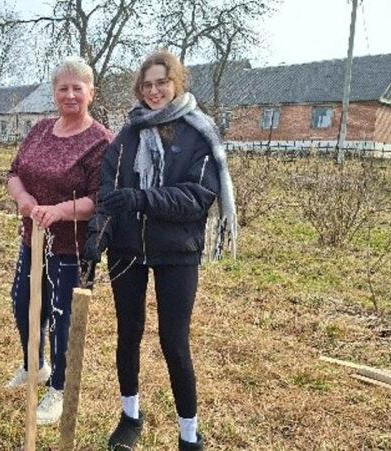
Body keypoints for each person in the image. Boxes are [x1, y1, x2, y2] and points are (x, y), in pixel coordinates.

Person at [84, 50, 237, 451]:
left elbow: (197, 198)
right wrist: (95, 239)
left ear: (177, 83)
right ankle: (130, 416)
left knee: (174, 342)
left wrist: (141, 199)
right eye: (147, 84)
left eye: (162, 83)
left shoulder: (198, 133)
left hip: (178, 252)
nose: (154, 91)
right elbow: (107, 192)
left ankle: (189, 434)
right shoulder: (127, 134)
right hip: (127, 250)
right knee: (128, 334)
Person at [6, 56, 112, 425]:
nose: (70, 95)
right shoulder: (39, 130)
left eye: (77, 88)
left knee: (62, 319)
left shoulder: (100, 141)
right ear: (54, 92)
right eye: (62, 88)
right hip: (33, 239)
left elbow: (101, 199)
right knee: (23, 305)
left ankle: (60, 388)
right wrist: (23, 198)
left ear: (90, 93)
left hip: (73, 249)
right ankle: (35, 366)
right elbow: (14, 173)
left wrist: (62, 210)